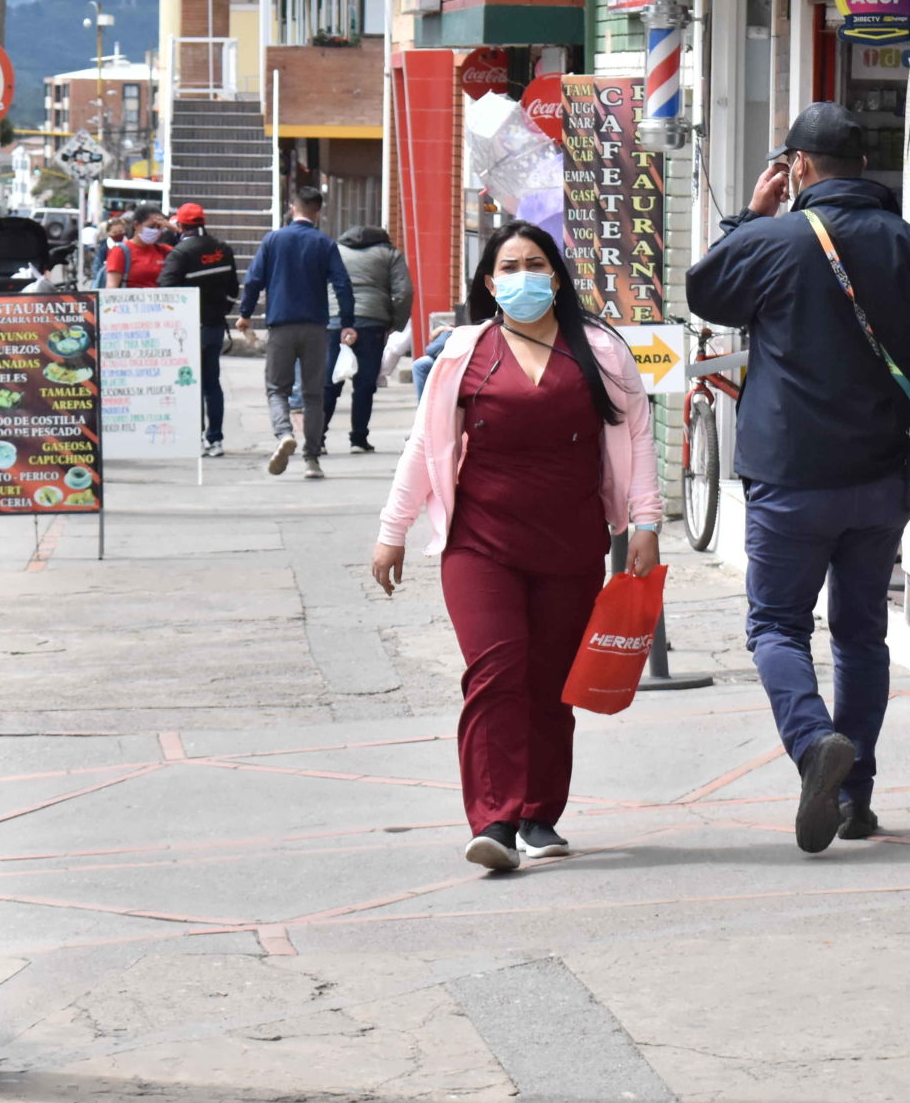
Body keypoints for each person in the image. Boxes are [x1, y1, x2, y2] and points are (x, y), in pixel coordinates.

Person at [685, 102, 910, 854]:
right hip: (880, 481)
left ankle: (813, 740)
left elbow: (704, 292)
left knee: (776, 625)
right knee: (861, 634)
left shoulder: (776, 241)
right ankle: (855, 798)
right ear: (863, 168)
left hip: (790, 478)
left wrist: (749, 219)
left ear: (797, 168)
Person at [372, 221, 661, 872]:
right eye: (510, 267)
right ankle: (495, 820)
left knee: (552, 684)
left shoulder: (602, 352)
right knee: (496, 673)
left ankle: (539, 815)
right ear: (489, 281)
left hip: (572, 545)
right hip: (480, 546)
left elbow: (637, 436)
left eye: (536, 264)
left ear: (556, 277)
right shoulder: (463, 353)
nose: (523, 277)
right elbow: (424, 447)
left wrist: (645, 521)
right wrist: (393, 533)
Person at [235, 186, 356, 479]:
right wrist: (348, 321)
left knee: (278, 388)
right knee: (314, 395)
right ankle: (312, 460)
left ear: (293, 208)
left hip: (280, 325)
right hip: (316, 327)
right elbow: (342, 284)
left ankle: (284, 434)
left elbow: (253, 280)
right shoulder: (325, 244)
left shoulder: (274, 240)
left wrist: (245, 313)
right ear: (318, 212)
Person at [158, 203, 238, 456]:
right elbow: (233, 290)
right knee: (212, 384)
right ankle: (215, 440)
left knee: (189, 386)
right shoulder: (222, 249)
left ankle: (195, 440)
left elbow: (166, 291)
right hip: (214, 328)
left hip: (187, 331)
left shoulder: (180, 253)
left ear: (180, 226)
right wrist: (219, 312)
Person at [330, 225, 411, 453]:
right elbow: (404, 292)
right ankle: (358, 439)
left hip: (335, 321)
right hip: (372, 321)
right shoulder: (389, 253)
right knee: (365, 384)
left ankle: (318, 439)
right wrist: (396, 322)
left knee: (329, 382)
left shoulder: (336, 250)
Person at [105, 210, 172, 290]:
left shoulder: (163, 250)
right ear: (136, 225)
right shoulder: (120, 251)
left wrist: (173, 228)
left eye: (159, 227)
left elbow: (185, 251)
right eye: (151, 226)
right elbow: (111, 287)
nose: (155, 230)